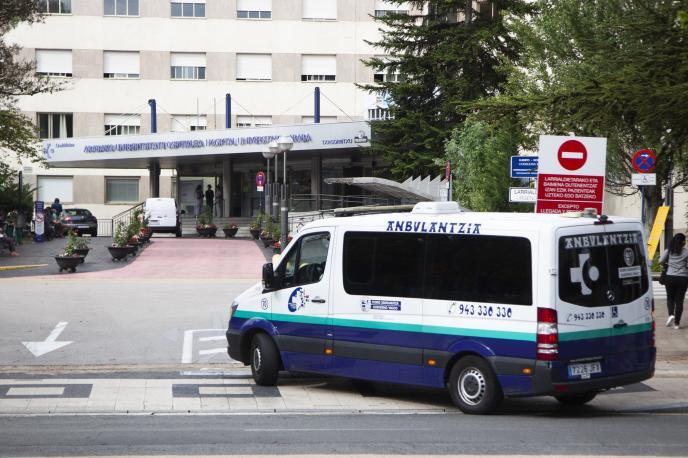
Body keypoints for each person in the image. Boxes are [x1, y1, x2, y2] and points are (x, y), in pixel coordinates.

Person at [659, 233, 688, 330]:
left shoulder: (669, 250)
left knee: (670, 298)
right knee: (679, 301)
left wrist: (667, 263)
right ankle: (676, 324)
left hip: (670, 277)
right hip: (683, 278)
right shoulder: (686, 252)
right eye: (685, 240)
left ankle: (671, 314)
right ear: (683, 241)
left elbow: (660, 261)